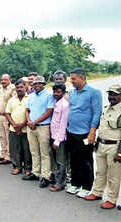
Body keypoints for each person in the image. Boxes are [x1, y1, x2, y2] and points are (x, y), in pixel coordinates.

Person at [66, 68, 102, 198]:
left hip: (85, 133)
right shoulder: (72, 93)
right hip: (71, 131)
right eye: (71, 78)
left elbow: (97, 113)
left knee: (85, 160)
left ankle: (87, 186)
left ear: (82, 78)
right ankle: (75, 184)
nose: (71, 81)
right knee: (74, 159)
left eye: (73, 79)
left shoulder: (94, 93)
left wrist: (92, 131)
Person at [84, 84, 121, 209]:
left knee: (113, 175)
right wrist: (97, 143)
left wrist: (120, 152)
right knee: (100, 171)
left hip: (115, 147)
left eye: (115, 94)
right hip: (102, 145)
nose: (112, 97)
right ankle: (97, 192)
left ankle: (111, 199)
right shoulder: (106, 109)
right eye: (110, 94)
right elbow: (103, 128)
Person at [24, 75, 54, 188]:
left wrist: (35, 122)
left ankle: (46, 176)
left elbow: (49, 111)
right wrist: (29, 121)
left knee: (45, 153)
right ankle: (35, 173)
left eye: (40, 83)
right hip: (31, 127)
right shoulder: (30, 96)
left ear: (43, 84)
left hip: (43, 127)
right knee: (34, 151)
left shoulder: (49, 95)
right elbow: (27, 110)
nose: (37, 85)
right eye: (35, 84)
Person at [5, 79, 31, 176]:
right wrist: (14, 125)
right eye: (17, 87)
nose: (19, 89)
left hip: (26, 129)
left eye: (21, 87)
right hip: (13, 129)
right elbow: (7, 113)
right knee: (15, 150)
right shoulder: (12, 100)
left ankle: (28, 168)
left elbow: (31, 113)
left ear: (25, 87)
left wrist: (22, 125)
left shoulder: (30, 99)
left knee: (27, 150)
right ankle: (17, 167)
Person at [48, 84, 69, 192]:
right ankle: (56, 179)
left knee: (60, 161)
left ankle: (60, 183)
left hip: (59, 139)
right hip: (52, 136)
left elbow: (63, 124)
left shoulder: (65, 105)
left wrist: (57, 140)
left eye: (58, 92)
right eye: (54, 92)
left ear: (64, 93)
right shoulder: (54, 102)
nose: (56, 94)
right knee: (54, 160)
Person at [0, 74, 15, 164]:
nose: (3, 81)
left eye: (5, 80)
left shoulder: (12, 89)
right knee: (2, 136)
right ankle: (3, 154)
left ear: (9, 80)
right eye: (2, 80)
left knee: (8, 137)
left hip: (7, 117)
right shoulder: (1, 89)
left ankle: (8, 156)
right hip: (0, 116)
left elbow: (14, 103)